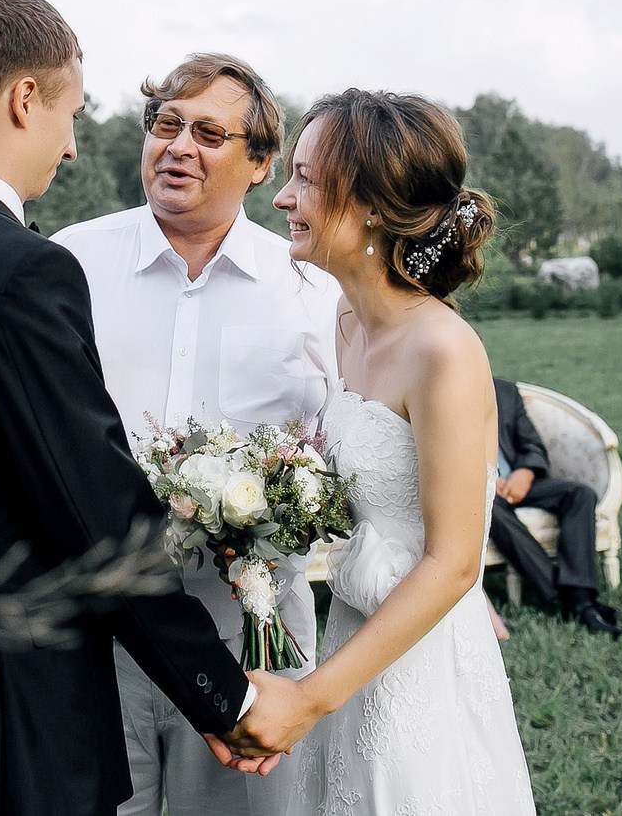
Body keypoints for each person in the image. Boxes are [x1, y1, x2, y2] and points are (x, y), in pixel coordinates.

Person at [0, 0, 292, 816]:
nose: (75, 144)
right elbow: (97, 517)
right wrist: (223, 698)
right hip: (30, 723)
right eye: (71, 112)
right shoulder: (29, 269)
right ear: (23, 100)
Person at [52, 54, 341, 816]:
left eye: (210, 132)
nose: (178, 145)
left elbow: (347, 448)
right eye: (166, 123)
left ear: (259, 163)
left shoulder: (310, 285)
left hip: (253, 638)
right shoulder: (70, 261)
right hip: (93, 633)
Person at [236, 89, 536, 814]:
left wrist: (311, 697)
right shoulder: (346, 321)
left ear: (371, 204)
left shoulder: (444, 350)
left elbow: (455, 561)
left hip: (419, 659)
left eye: (306, 177)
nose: (283, 198)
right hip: (352, 628)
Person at [489, 376, 621, 637]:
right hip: (478, 490)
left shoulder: (504, 391)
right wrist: (484, 481)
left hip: (518, 481)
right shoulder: (441, 392)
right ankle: (567, 597)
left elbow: (531, 443)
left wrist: (525, 473)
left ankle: (578, 593)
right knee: (488, 509)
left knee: (579, 494)